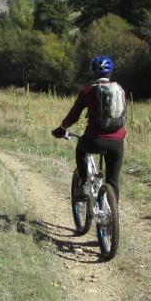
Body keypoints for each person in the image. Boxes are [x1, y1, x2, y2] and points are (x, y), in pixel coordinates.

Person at [52, 54, 126, 196]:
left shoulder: (88, 91)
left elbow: (73, 116)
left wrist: (61, 129)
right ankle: (114, 216)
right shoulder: (120, 90)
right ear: (110, 72)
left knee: (80, 148)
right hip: (117, 143)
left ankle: (84, 183)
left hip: (94, 140)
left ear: (93, 72)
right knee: (113, 181)